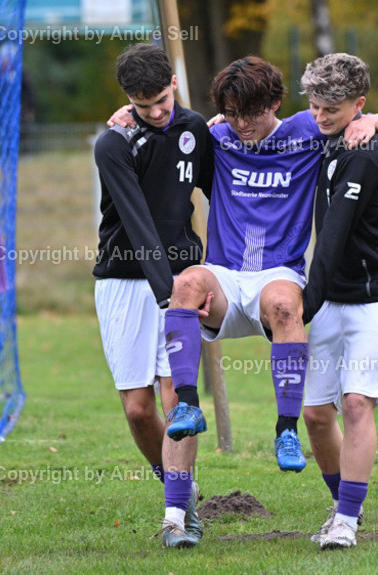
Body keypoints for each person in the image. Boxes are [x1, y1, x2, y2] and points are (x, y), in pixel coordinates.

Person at [143, 56, 378, 473]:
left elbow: (371, 116)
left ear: (276, 103)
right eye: (232, 115)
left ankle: (285, 431)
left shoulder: (308, 129)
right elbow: (158, 123)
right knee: (185, 285)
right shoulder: (218, 135)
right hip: (226, 273)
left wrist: (377, 123)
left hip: (279, 271)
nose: (242, 126)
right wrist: (125, 115)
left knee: (284, 305)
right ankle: (188, 406)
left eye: (252, 114)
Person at [93, 43, 213, 548]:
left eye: (162, 101)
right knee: (140, 410)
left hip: (181, 282)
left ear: (174, 85)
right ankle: (178, 488)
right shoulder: (113, 144)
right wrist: (164, 293)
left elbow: (221, 196)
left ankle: (176, 518)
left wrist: (211, 276)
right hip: (123, 280)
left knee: (176, 399)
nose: (157, 113)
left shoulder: (197, 130)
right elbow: (138, 224)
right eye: (145, 107)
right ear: (129, 101)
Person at [298, 53, 378, 549]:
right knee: (314, 413)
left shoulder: (366, 154)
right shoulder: (321, 137)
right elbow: (258, 131)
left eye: (333, 107)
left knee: (354, 402)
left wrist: (299, 309)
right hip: (334, 295)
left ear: (358, 105)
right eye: (314, 105)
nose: (321, 115)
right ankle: (344, 505)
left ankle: (345, 522)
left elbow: (331, 242)